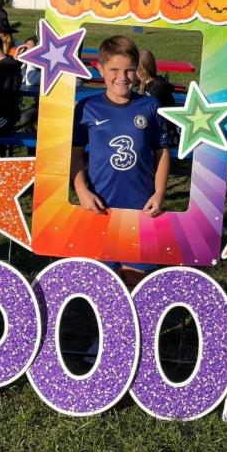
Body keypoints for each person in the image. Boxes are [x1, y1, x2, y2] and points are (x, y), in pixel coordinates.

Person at [71, 36, 170, 287]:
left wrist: (159, 192)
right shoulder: (87, 107)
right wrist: (81, 190)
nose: (122, 77)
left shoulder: (150, 105)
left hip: (141, 208)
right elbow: (75, 152)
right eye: (114, 70)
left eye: (129, 70)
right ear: (100, 69)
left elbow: (161, 151)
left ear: (138, 70)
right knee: (104, 283)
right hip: (100, 207)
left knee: (138, 280)